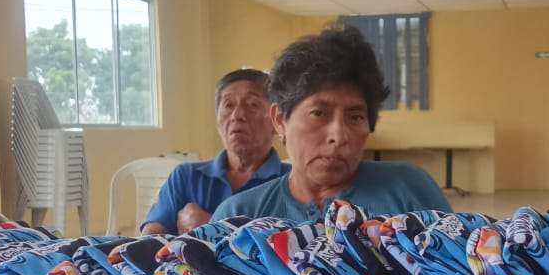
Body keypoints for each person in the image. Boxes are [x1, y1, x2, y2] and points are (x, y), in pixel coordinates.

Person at [212, 25, 450, 223]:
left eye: (355, 117)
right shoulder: (238, 217)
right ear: (280, 121)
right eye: (319, 113)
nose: (339, 136)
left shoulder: (407, 190)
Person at [140, 68, 287, 235]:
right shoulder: (185, 177)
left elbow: (295, 243)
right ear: (218, 122)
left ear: (276, 121)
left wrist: (211, 224)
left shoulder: (292, 183)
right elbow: (151, 236)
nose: (237, 115)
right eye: (228, 105)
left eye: (252, 104)